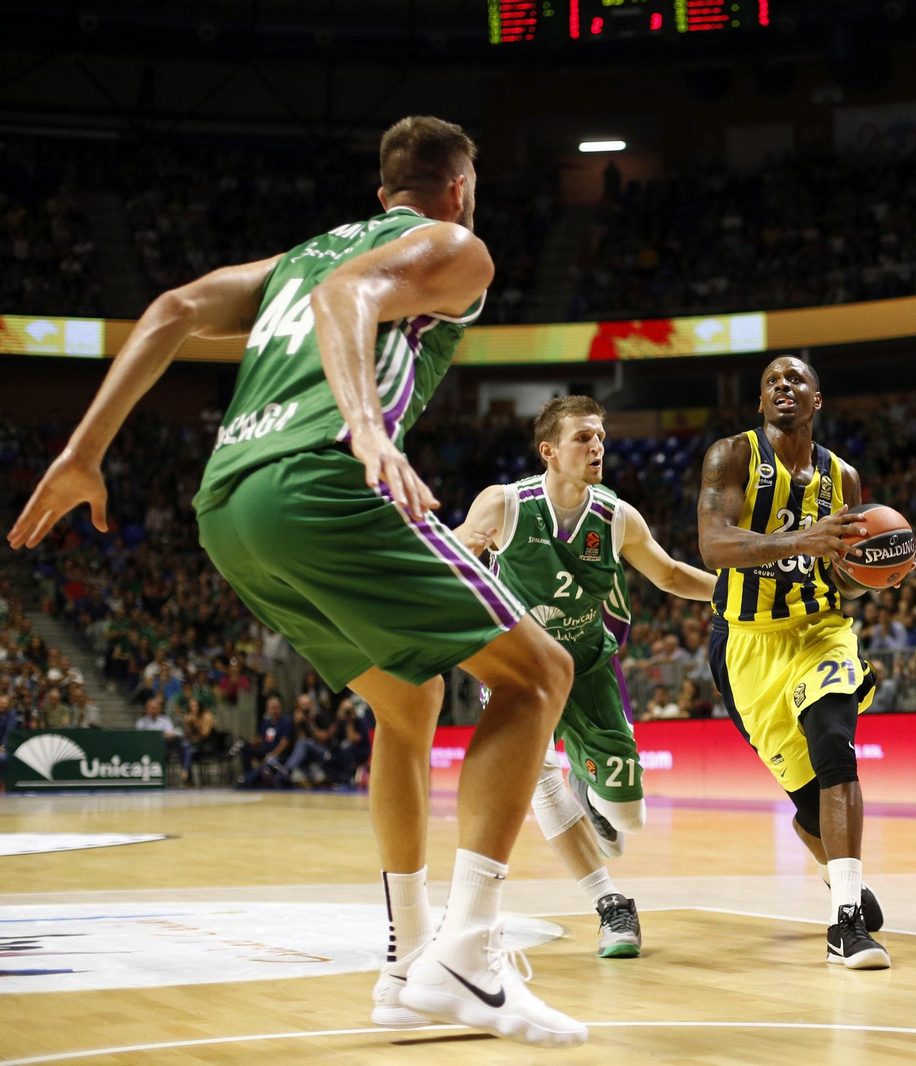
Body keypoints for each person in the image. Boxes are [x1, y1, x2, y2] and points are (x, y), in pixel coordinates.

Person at [7, 116, 586, 1047]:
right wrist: (367, 425)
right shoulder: (454, 247)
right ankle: (470, 956)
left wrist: (85, 452)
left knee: (408, 702)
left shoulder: (297, 257)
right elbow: (349, 294)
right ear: (459, 190)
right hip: (320, 482)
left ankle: (406, 963)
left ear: (381, 192)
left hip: (227, 506)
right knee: (540, 674)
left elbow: (171, 308)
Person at [453, 394, 717, 959]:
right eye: (582, 437)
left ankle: (590, 790)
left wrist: (740, 594)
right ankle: (610, 904)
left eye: (600, 436)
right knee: (536, 780)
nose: (597, 446)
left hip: (589, 664)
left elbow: (670, 575)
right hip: (519, 671)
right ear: (549, 451)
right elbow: (452, 559)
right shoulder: (504, 505)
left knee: (628, 820)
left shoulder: (617, 516)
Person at [697, 354, 898, 969]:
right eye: (772, 382)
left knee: (835, 744)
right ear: (761, 402)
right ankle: (841, 877)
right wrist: (799, 540)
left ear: (817, 399)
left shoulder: (844, 478)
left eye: (796, 380)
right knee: (810, 808)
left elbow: (844, 575)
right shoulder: (731, 456)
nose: (784, 386)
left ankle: (845, 925)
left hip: (820, 630)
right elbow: (713, 546)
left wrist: (878, 573)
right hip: (747, 642)